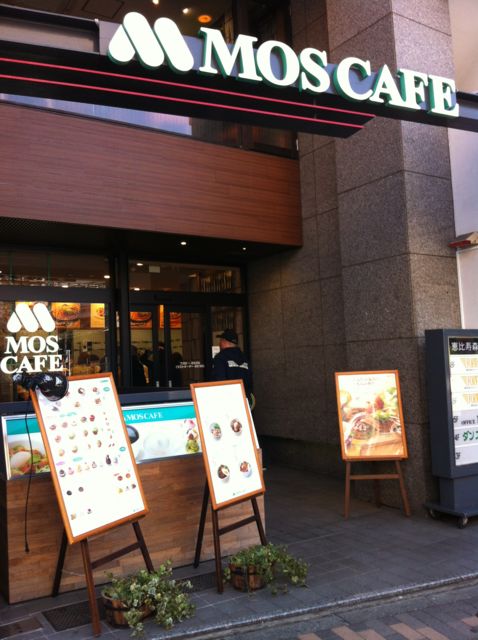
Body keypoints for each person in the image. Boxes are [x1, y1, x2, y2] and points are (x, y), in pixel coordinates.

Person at [212, 329, 254, 407]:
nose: (220, 343)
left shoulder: (220, 357)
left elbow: (219, 380)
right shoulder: (245, 358)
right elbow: (250, 379)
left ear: (224, 341)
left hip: (227, 400)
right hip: (245, 399)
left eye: (221, 340)